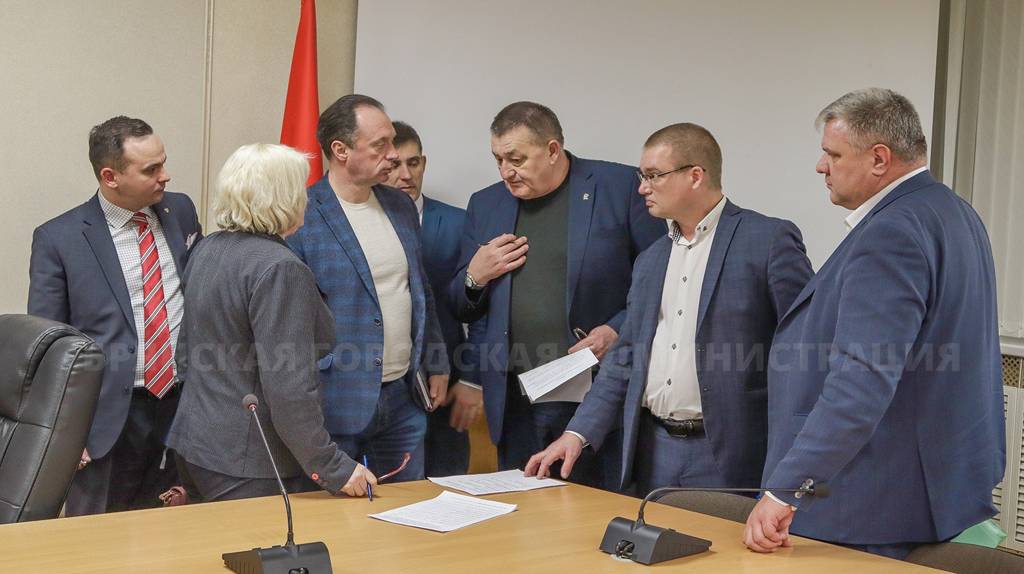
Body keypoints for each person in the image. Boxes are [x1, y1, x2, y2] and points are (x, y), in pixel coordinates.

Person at [743, 88, 1005, 560]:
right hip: (933, 483)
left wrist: (788, 489)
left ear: (879, 159)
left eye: (832, 154)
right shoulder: (954, 213)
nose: (821, 166)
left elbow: (861, 379)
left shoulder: (891, 232)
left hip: (869, 496)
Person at [525, 123, 813, 495]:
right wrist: (577, 434)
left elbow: (806, 347)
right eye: (642, 177)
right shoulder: (651, 259)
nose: (642, 188)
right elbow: (625, 358)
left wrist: (797, 454)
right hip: (653, 450)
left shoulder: (767, 240)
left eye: (653, 176)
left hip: (733, 452)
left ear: (695, 176)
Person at [449, 101, 665, 487]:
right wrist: (474, 276)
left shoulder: (619, 188)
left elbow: (660, 280)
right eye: (498, 159)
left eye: (516, 159)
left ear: (552, 150)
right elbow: (461, 307)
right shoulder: (486, 203)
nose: (505, 171)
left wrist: (617, 330)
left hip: (594, 390)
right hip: (514, 396)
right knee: (520, 507)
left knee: (592, 506)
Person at [167, 143, 375, 500]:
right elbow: (289, 389)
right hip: (251, 463)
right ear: (284, 198)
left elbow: (186, 355)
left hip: (196, 447)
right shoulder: (280, 268)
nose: (305, 199)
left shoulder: (208, 248)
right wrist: (332, 466)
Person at [28, 116, 202, 515]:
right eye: (151, 169)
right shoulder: (59, 239)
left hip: (180, 407)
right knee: (101, 535)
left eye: (163, 163)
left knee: (175, 531)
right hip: (107, 419)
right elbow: (48, 345)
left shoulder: (180, 210)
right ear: (111, 176)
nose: (165, 176)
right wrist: (63, 431)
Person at [288, 95, 449, 482]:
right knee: (336, 512)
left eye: (392, 141)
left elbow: (419, 289)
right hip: (335, 400)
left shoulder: (400, 206)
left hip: (404, 398)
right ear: (340, 150)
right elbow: (291, 319)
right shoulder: (301, 214)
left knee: (409, 508)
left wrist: (438, 361)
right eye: (381, 145)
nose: (393, 155)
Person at [386, 121, 481, 476]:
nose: (406, 175)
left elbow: (483, 308)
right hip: (384, 388)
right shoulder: (364, 224)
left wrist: (472, 377)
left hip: (448, 382)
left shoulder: (460, 222)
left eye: (414, 163)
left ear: (424, 163)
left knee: (449, 483)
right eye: (395, 165)